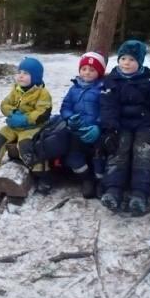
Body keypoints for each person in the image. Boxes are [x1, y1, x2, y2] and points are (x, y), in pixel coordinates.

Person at [100, 40, 150, 215]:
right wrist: (110, 129)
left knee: (144, 152)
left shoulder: (149, 81)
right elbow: (108, 107)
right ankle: (113, 189)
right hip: (120, 125)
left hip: (145, 125)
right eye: (123, 58)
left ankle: (141, 193)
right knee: (119, 149)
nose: (126, 62)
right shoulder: (112, 81)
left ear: (140, 62)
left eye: (132, 60)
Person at [0, 57, 53, 193]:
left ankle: (43, 175)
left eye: (26, 73)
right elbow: (4, 104)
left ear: (35, 76)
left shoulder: (42, 93)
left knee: (26, 147)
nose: (21, 76)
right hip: (13, 126)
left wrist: (25, 119)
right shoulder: (16, 90)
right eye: (19, 72)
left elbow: (43, 112)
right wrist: (12, 113)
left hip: (32, 127)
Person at [59, 51, 107, 198]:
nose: (87, 72)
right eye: (84, 69)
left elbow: (106, 110)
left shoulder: (103, 89)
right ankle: (86, 179)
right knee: (74, 155)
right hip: (77, 129)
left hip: (96, 131)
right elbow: (65, 107)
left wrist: (98, 125)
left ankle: (100, 181)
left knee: (99, 156)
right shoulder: (74, 89)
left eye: (92, 70)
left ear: (99, 73)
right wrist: (69, 118)